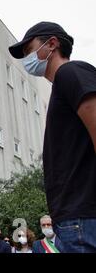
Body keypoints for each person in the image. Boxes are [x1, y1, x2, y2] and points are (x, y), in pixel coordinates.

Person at [9, 22, 96, 253]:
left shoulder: (71, 72)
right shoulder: (60, 86)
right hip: (73, 220)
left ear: (52, 44)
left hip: (83, 218)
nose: (26, 58)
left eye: (29, 50)